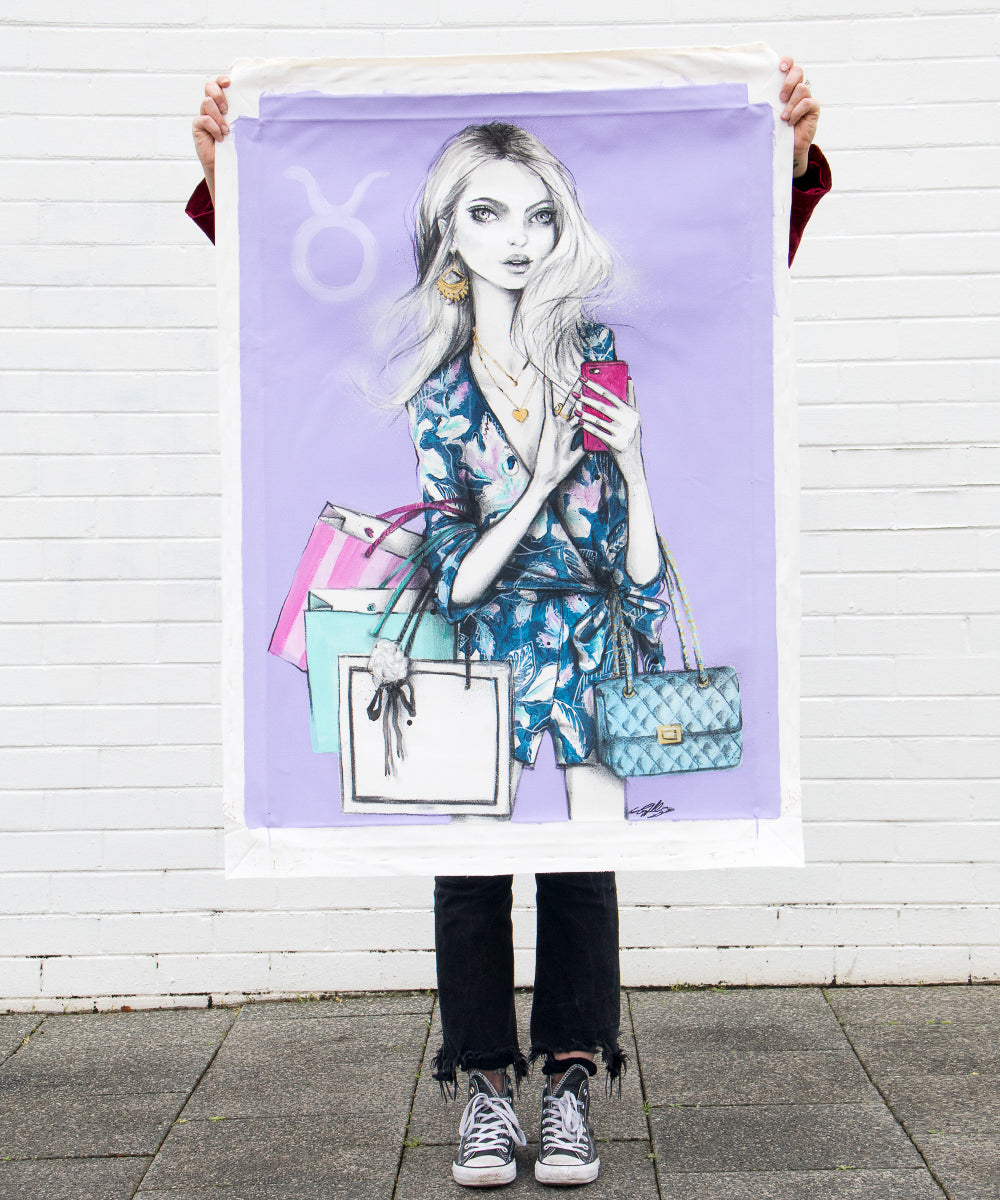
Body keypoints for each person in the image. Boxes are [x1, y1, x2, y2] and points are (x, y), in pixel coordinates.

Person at [188, 58, 829, 1189]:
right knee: (471, 870)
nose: (519, 239)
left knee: (584, 867)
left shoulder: (600, 359)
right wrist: (231, 179)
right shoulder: (440, 396)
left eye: (539, 214)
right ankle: (484, 1088)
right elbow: (456, 577)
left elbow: (719, 297)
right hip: (478, 650)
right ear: (449, 233)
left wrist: (784, 163)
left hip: (590, 647)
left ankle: (571, 1083)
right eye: (487, 213)